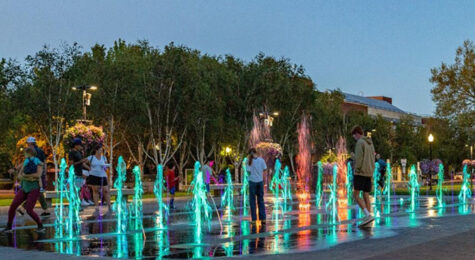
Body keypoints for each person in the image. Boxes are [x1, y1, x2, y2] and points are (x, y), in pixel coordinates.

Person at [2, 147, 44, 233]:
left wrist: (26, 176)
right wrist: (28, 177)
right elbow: (20, 175)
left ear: (29, 153)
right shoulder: (25, 162)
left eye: (25, 153)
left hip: (34, 188)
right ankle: (9, 226)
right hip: (24, 188)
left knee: (29, 210)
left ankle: (40, 225)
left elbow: (37, 175)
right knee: (13, 206)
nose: (24, 155)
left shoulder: (39, 164)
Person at [351, 126, 376, 226]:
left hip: (361, 172)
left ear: (357, 134)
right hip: (369, 172)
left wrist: (356, 168)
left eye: (354, 136)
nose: (354, 138)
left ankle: (367, 215)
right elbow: (371, 157)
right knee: (366, 195)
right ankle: (368, 217)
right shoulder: (370, 143)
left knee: (356, 195)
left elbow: (359, 158)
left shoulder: (360, 142)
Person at [68, 138, 93, 207]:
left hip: (79, 173)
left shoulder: (78, 152)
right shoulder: (71, 153)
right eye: (79, 145)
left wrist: (88, 168)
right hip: (74, 174)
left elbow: (81, 163)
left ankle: (78, 204)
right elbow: (71, 164)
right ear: (75, 145)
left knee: (79, 189)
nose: (81, 147)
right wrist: (81, 161)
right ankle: (74, 204)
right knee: (75, 190)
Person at [86, 145, 111, 210]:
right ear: (96, 150)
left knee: (106, 190)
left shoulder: (103, 157)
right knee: (95, 191)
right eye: (100, 149)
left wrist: (105, 167)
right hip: (94, 175)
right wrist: (88, 168)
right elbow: (83, 163)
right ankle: (97, 206)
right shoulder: (91, 157)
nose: (101, 151)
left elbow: (105, 166)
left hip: (103, 175)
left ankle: (109, 206)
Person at [247, 148, 267, 223]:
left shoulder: (248, 161)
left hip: (252, 182)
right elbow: (265, 169)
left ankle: (254, 219)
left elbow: (248, 171)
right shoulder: (261, 160)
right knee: (261, 200)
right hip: (260, 182)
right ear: (256, 153)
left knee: (252, 201)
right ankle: (263, 218)